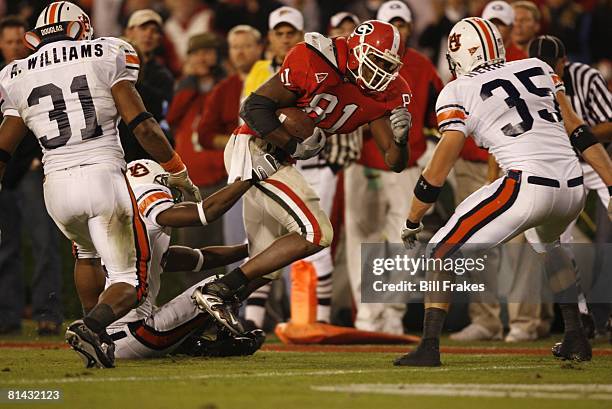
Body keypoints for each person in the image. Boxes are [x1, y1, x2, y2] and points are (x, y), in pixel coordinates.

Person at [394, 17, 612, 366]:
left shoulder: (458, 89)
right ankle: (575, 335)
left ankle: (429, 347)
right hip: (573, 185)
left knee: (440, 250)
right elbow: (578, 129)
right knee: (550, 245)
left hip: (527, 185)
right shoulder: (537, 67)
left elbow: (440, 163)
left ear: (460, 55)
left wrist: (413, 216)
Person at [0, 1, 200, 368]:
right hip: (103, 176)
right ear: (80, 28)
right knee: (130, 280)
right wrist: (177, 170)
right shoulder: (107, 51)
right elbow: (142, 125)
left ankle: (96, 330)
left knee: (87, 253)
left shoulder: (15, 73)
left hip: (55, 188)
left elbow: (3, 148)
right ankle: (92, 327)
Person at [193, 20, 413, 335]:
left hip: (281, 158)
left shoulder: (387, 91)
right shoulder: (317, 58)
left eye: (387, 64)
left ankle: (200, 315)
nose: (380, 70)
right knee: (317, 233)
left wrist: (402, 140)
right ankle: (220, 291)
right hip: (256, 146)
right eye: (376, 59)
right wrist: (294, 144)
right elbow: (253, 108)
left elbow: (394, 160)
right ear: (356, 49)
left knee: (265, 263)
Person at [104, 155, 278, 362]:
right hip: (137, 335)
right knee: (218, 287)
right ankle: (221, 338)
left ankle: (200, 342)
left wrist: (250, 249)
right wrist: (251, 177)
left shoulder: (130, 230)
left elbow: (201, 258)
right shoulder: (145, 199)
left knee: (210, 286)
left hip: (115, 337)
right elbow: (205, 213)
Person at [342, 0, 443, 334]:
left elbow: (438, 117)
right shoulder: (356, 63)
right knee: (361, 241)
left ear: (410, 27)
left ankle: (393, 317)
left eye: (402, 24)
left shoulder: (422, 65)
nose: (398, 31)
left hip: (407, 166)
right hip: (362, 165)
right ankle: (368, 318)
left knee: (405, 244)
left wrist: (428, 147)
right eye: (391, 25)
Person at [450, 0, 531, 343]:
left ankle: (526, 320)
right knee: (475, 244)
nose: (493, 30)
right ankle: (485, 319)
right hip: (471, 162)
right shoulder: (465, 67)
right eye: (489, 23)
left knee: (520, 247)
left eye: (501, 24)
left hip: (515, 163)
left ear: (511, 30)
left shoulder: (527, 64)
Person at [527, 35, 612, 338]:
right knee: (553, 240)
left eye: (551, 66)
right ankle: (582, 315)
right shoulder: (522, 80)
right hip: (562, 166)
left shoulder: (585, 77)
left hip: (599, 161)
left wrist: (575, 134)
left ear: (564, 63)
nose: (545, 72)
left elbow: (610, 123)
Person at [239, 7, 305, 329]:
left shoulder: (309, 67)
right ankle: (252, 320)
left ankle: (304, 318)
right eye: (279, 33)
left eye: (290, 33)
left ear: (301, 36)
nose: (284, 39)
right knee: (261, 240)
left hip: (307, 162)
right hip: (268, 161)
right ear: (270, 38)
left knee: (309, 240)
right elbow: (249, 116)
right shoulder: (259, 70)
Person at [0, 15, 63, 336]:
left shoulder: (38, 73)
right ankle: (7, 316)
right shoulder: (4, 78)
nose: (13, 47)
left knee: (43, 243)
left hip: (33, 170)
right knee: (5, 246)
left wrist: (40, 156)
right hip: (5, 172)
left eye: (17, 41)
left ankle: (47, 313)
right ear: (1, 44)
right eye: (8, 41)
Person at [166, 32, 227, 287]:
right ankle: (192, 306)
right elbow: (171, 118)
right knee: (192, 248)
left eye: (208, 51)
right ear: (188, 57)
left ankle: (224, 300)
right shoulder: (183, 87)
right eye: (197, 52)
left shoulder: (227, 86)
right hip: (191, 180)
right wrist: (189, 81)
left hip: (222, 176)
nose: (203, 57)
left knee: (223, 245)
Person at [121, 9, 175, 162]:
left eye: (155, 31)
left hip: (145, 153)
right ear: (129, 32)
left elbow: (159, 114)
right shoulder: (109, 65)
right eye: (143, 28)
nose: (149, 35)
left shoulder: (163, 76)